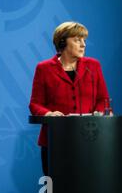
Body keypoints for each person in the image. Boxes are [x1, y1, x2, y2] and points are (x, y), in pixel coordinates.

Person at [29, 21, 111, 176]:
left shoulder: (93, 66)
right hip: (55, 140)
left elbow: (103, 99)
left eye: (84, 40)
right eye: (77, 40)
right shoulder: (44, 68)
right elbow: (35, 103)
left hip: (89, 140)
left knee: (87, 191)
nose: (83, 45)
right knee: (54, 191)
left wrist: (98, 114)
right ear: (62, 42)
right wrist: (49, 114)